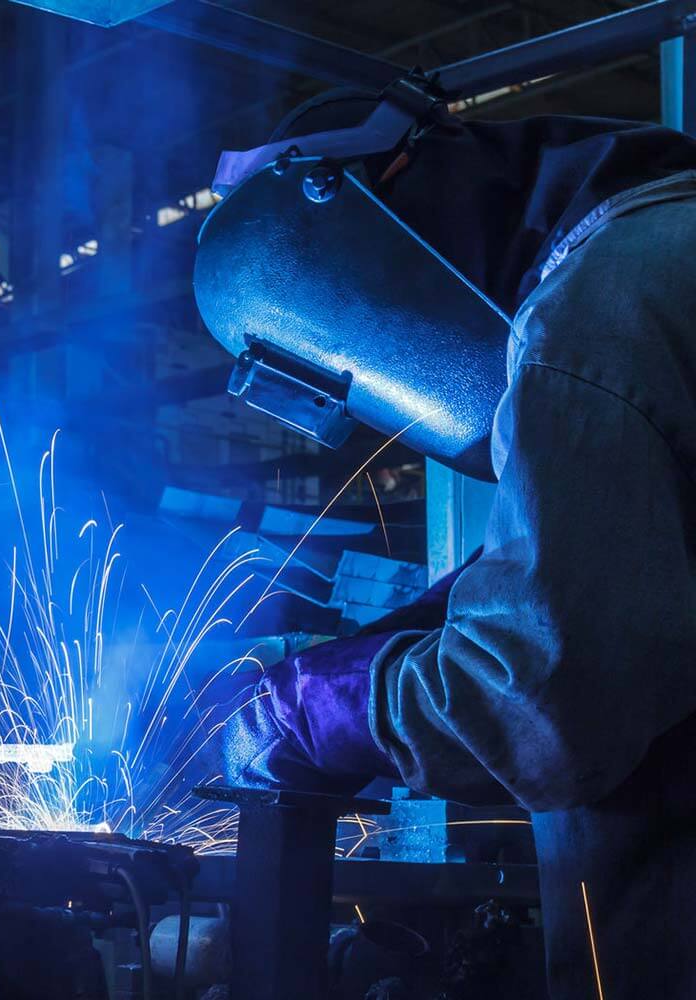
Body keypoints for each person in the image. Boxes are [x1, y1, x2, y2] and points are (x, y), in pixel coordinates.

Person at [200, 83, 696, 998]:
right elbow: (639, 568)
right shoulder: (668, 257)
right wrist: (395, 635)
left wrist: (317, 709)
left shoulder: (598, 312)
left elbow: (537, 708)